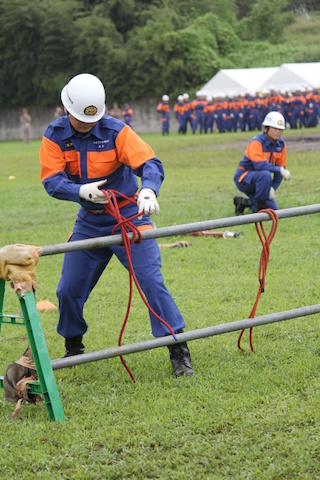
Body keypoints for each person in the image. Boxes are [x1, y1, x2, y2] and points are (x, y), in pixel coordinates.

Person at [39, 73, 194, 377]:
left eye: (92, 119)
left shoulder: (116, 131)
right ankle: (73, 343)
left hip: (128, 217)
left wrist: (148, 189)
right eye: (81, 120)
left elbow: (149, 163)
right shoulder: (54, 134)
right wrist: (79, 191)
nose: (87, 125)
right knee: (68, 288)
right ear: (67, 109)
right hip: (90, 220)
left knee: (151, 281)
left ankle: (178, 348)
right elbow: (51, 180)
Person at [233, 111, 291, 215]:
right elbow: (259, 165)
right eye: (275, 128)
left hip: (263, 182)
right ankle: (260, 207)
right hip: (244, 179)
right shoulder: (256, 142)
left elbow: (280, 169)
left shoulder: (281, 145)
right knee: (265, 174)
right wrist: (280, 170)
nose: (278, 132)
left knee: (275, 211)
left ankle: (242, 202)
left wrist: (273, 187)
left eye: (280, 129)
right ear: (266, 129)